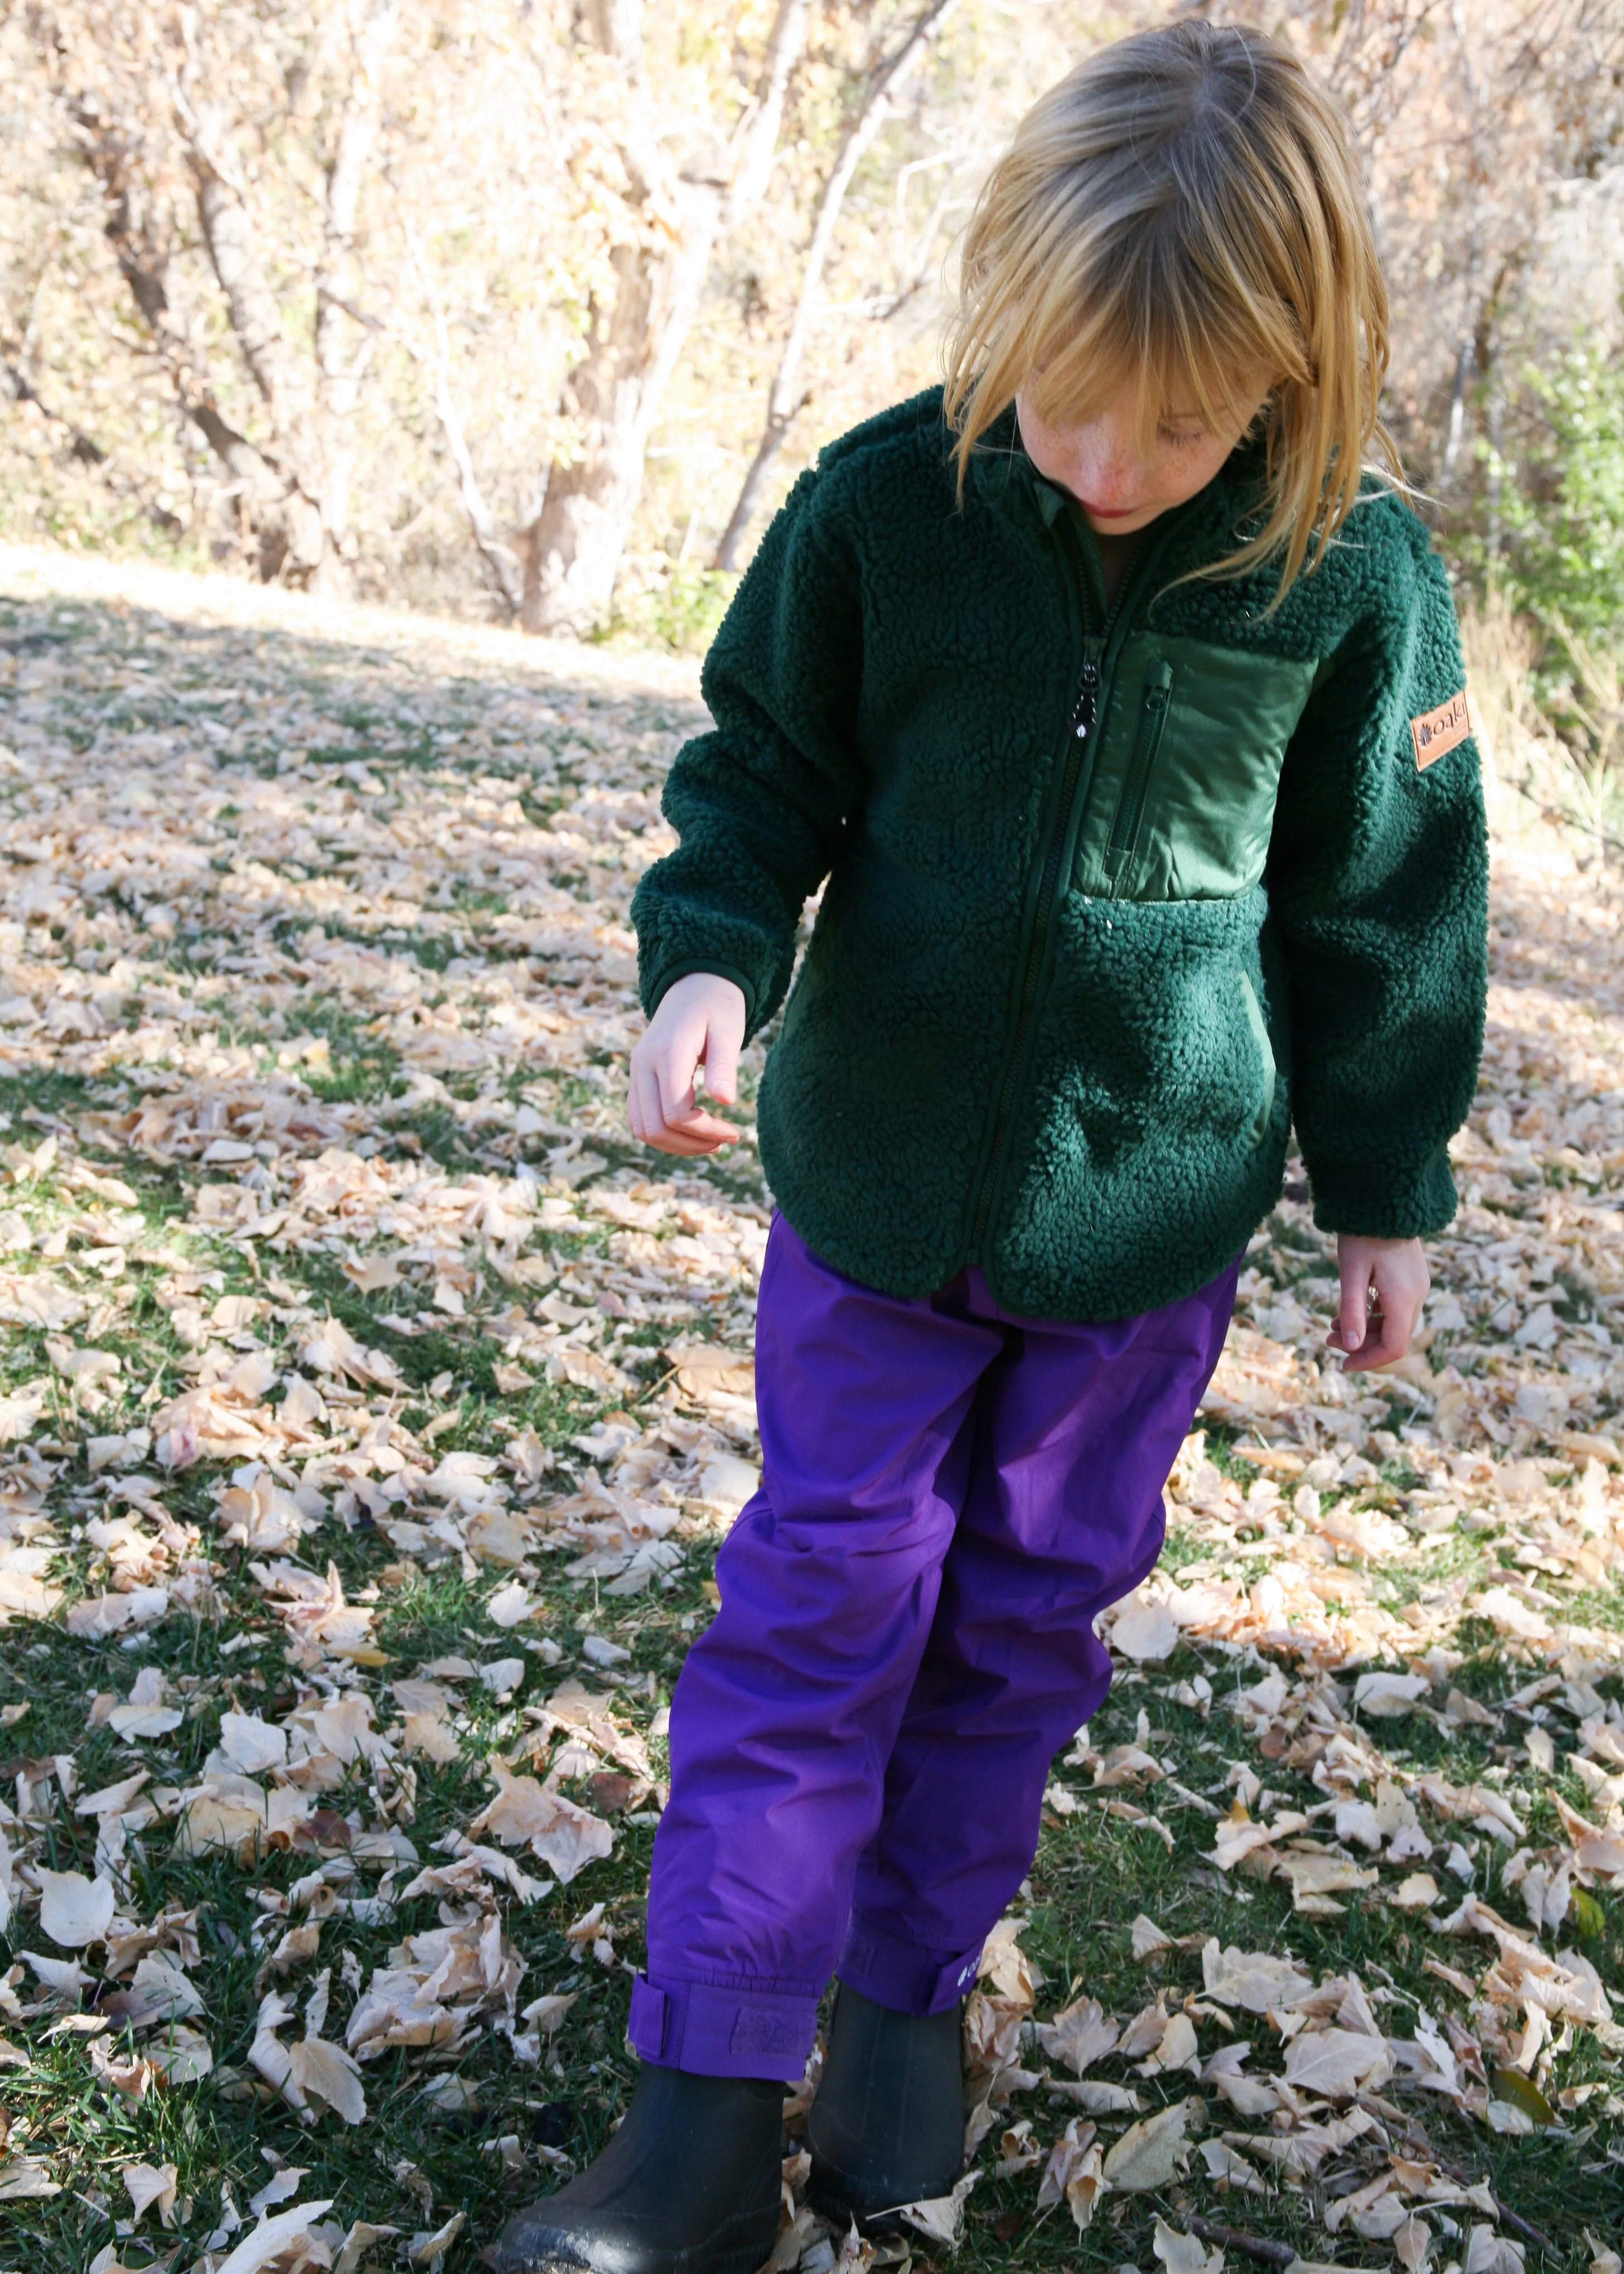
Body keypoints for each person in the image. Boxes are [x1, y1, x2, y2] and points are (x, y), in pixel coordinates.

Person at [495, 20, 1487, 2274]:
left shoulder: (1353, 579)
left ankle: (906, 2008)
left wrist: (1386, 1192)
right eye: (1061, 401)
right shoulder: (880, 502)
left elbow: (1386, 909)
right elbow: (753, 773)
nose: (1108, 461)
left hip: (1138, 1227)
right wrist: (705, 955)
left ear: (1288, 367)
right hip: (870, 1191)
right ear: (998, 318)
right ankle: (700, 2099)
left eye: (1179, 417)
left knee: (1021, 1622)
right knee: (819, 1595)